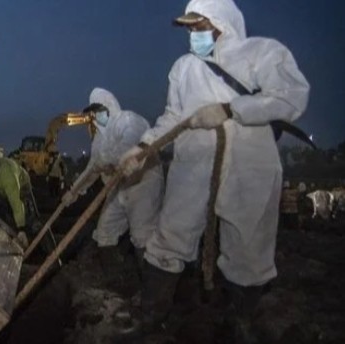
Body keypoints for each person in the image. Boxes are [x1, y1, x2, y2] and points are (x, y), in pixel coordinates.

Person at [118, 0, 309, 341]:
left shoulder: (262, 52)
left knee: (248, 248)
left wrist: (231, 109)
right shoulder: (183, 68)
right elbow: (173, 117)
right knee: (170, 236)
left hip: (250, 164)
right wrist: (145, 147)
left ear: (222, 24)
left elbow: (292, 96)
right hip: (193, 163)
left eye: (199, 26)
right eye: (190, 28)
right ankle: (152, 314)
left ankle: (241, 321)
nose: (193, 34)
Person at [62, 87, 164, 281]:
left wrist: (108, 159)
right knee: (104, 233)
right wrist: (74, 192)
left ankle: (150, 285)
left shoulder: (127, 120)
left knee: (142, 236)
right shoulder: (99, 140)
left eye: (99, 110)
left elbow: (131, 145)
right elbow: (92, 169)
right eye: (93, 112)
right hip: (119, 187)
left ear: (109, 106)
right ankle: (117, 279)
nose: (96, 115)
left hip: (143, 183)